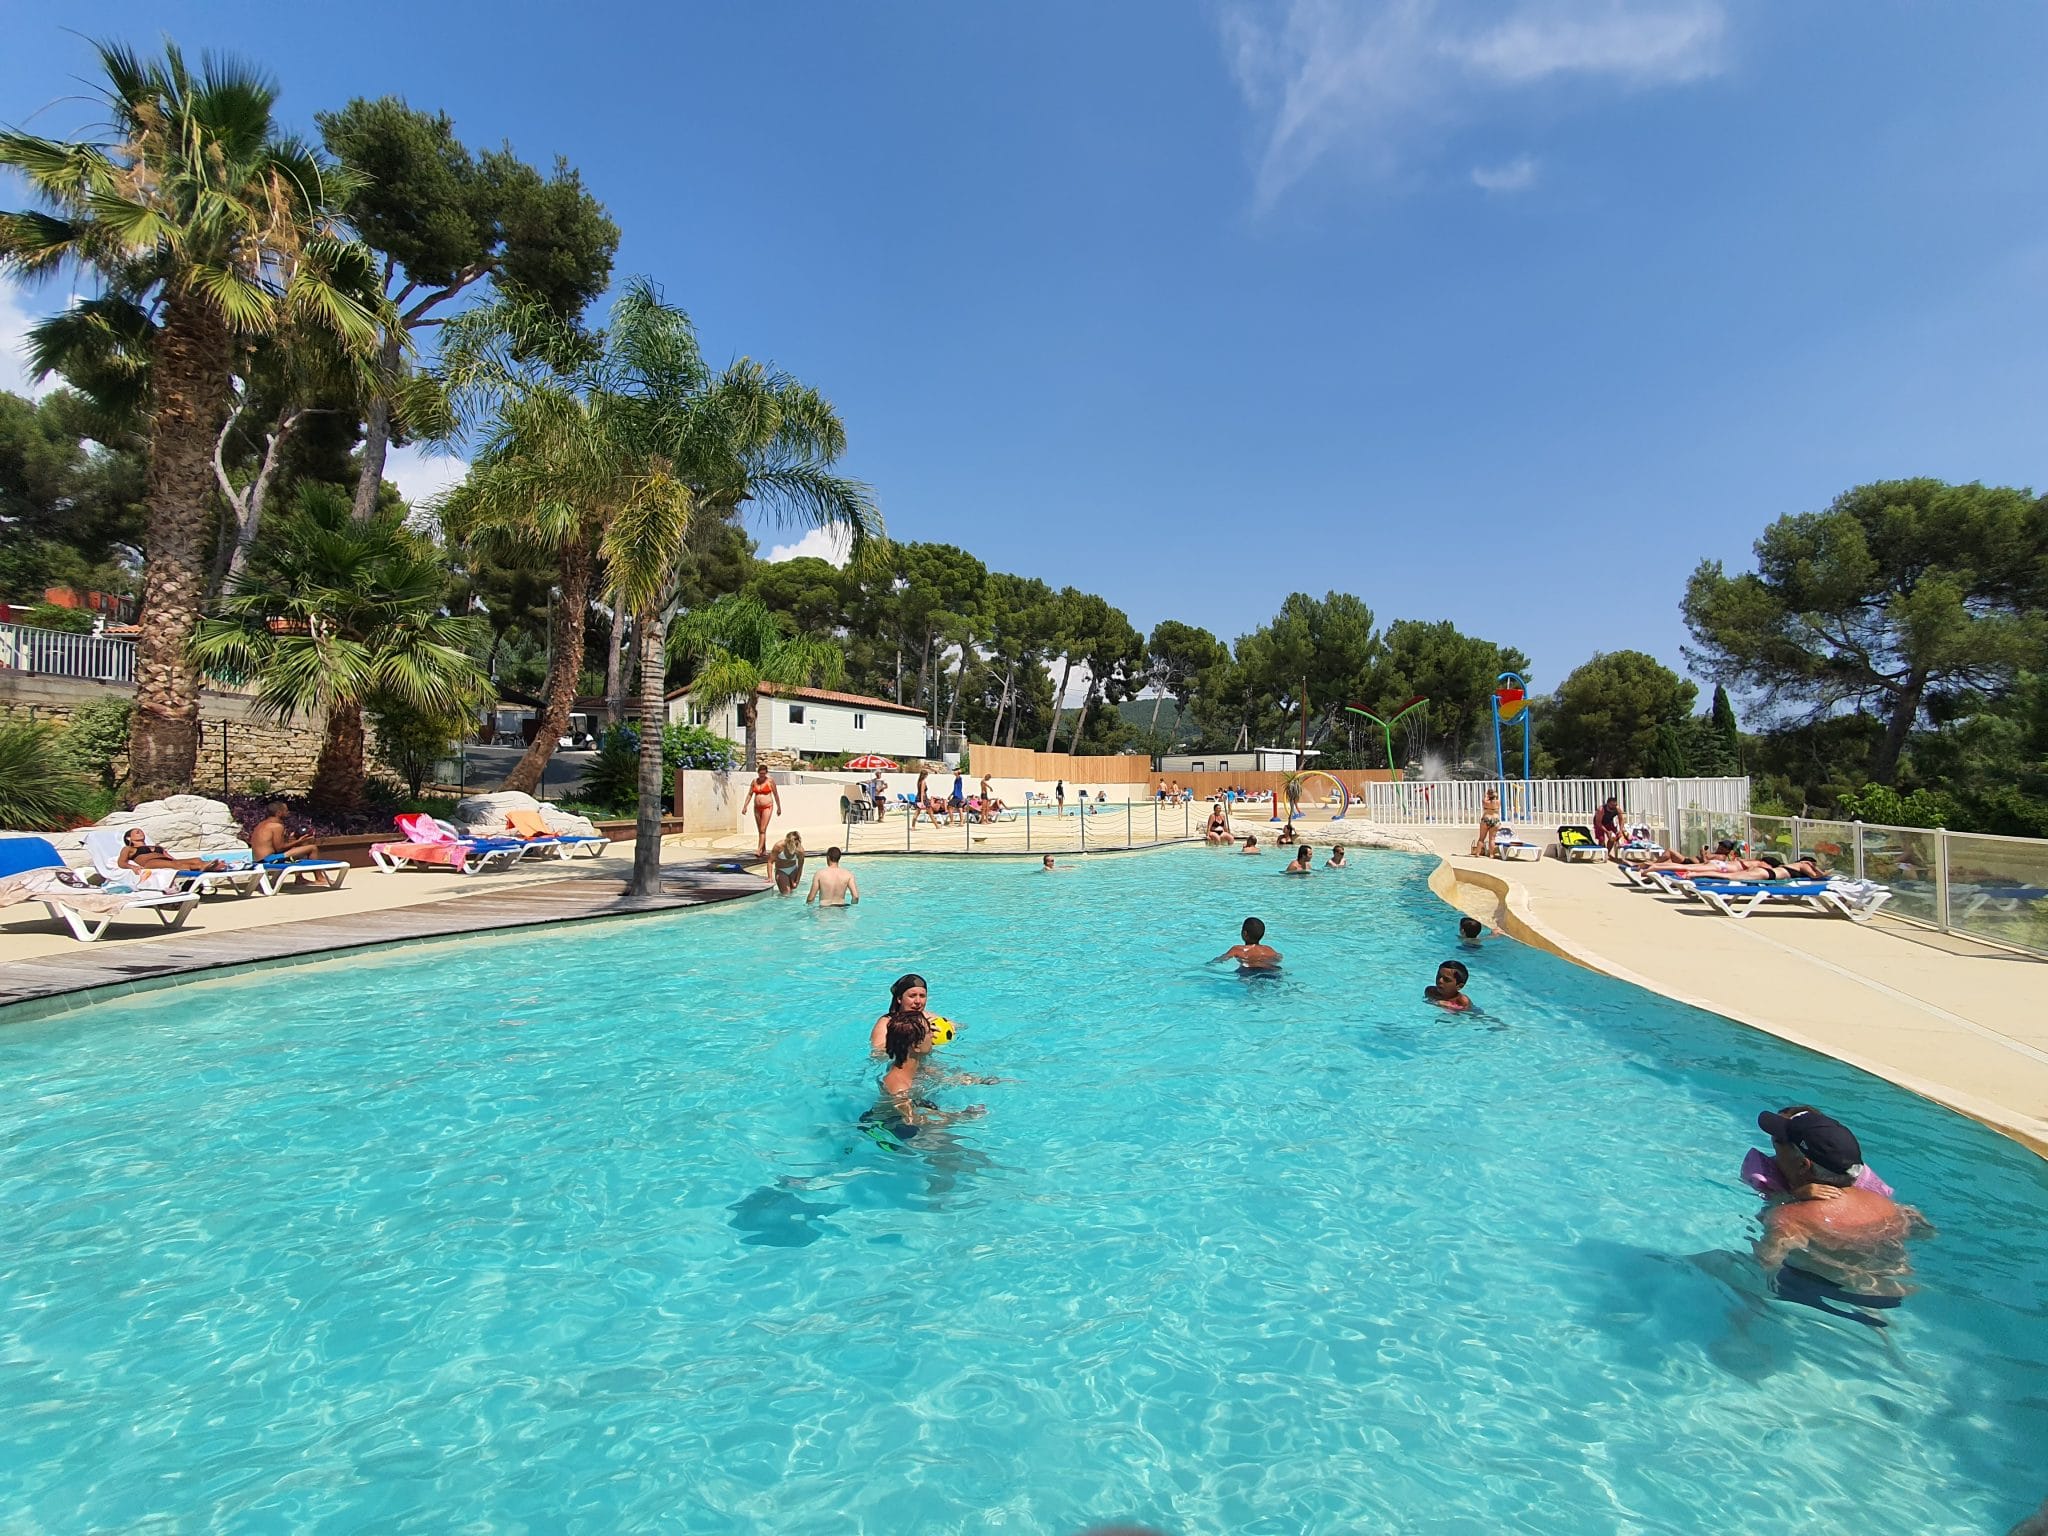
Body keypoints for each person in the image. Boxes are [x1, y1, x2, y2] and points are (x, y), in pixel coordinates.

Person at [250, 801, 333, 885]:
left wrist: (293, 841)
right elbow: (280, 848)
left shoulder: (261, 825)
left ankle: (300, 878)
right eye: (286, 811)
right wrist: (299, 841)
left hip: (259, 859)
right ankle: (320, 878)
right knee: (312, 848)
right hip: (269, 860)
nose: (288, 813)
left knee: (297, 848)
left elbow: (274, 846)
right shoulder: (276, 826)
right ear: (279, 813)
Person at [116, 827, 228, 879]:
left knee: (195, 860)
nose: (140, 832)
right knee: (175, 865)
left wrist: (181, 861)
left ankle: (204, 865)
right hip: (151, 863)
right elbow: (121, 862)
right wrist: (132, 867)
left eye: (141, 831)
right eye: (136, 832)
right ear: (128, 838)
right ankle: (208, 866)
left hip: (167, 861)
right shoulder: (128, 849)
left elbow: (171, 858)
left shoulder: (156, 846)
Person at [871, 972, 933, 1055]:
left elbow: (955, 1028)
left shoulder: (928, 1017)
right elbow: (877, 1053)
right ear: (899, 999)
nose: (918, 1001)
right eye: (912, 996)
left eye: (922, 996)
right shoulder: (886, 1023)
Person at [1211, 915, 1281, 971]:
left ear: (1244, 933)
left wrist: (1210, 963)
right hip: (1270, 970)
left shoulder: (1237, 949)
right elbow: (1278, 958)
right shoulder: (1268, 949)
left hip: (1248, 971)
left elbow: (1222, 959)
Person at [749, 764, 781, 860]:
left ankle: (758, 850)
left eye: (763, 774)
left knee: (762, 829)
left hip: (767, 806)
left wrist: (779, 807)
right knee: (760, 830)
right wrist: (745, 806)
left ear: (766, 773)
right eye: (760, 773)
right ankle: (763, 850)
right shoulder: (755, 781)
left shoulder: (770, 781)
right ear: (758, 773)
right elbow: (750, 794)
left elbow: (775, 794)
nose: (762, 775)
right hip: (757, 807)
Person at [771, 831, 806, 896]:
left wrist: (797, 881)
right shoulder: (778, 846)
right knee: (786, 894)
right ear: (787, 842)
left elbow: (800, 867)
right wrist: (770, 878)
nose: (794, 846)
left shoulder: (800, 850)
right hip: (781, 870)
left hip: (793, 870)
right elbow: (770, 862)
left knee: (791, 893)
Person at [1593, 795, 1625, 860]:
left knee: (1613, 837)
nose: (1613, 807)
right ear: (1607, 804)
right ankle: (1603, 851)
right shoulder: (1601, 809)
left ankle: (1607, 853)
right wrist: (1607, 831)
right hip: (1599, 823)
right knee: (1601, 839)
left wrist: (1621, 830)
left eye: (1615, 805)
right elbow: (1598, 823)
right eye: (1611, 805)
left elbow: (1621, 820)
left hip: (1609, 822)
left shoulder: (1617, 809)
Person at [1474, 786, 1502, 858]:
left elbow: (1484, 799)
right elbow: (1496, 801)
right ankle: (1491, 854)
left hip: (1486, 819)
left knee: (1481, 838)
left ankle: (1477, 853)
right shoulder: (1498, 802)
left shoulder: (1485, 802)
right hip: (1495, 819)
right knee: (1492, 839)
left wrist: (1487, 795)